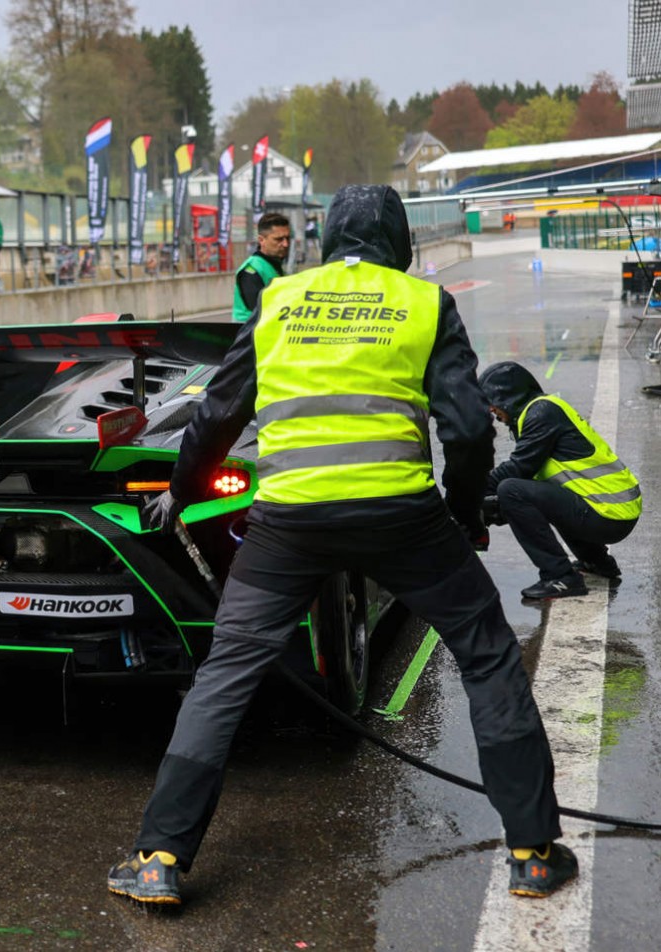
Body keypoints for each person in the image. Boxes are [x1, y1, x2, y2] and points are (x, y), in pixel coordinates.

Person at [109, 185, 572, 907]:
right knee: (484, 652)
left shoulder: (279, 300)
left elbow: (216, 413)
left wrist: (186, 488)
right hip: (402, 518)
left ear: (324, 239)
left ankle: (158, 858)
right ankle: (533, 853)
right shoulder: (422, 303)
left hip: (288, 523)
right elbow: (468, 429)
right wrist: (460, 514)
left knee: (227, 673)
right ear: (399, 243)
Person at [479, 360, 641, 599]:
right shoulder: (540, 411)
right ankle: (598, 562)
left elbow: (517, 469)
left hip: (608, 513)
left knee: (510, 490)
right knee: (535, 493)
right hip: (613, 510)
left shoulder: (541, 413)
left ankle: (561, 577)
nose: (492, 410)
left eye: (492, 402)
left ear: (507, 395)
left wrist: (470, 492)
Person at [232, 212, 291, 322]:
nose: (285, 244)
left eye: (287, 238)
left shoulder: (274, 266)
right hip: (249, 336)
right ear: (261, 240)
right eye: (279, 239)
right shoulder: (251, 269)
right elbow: (259, 309)